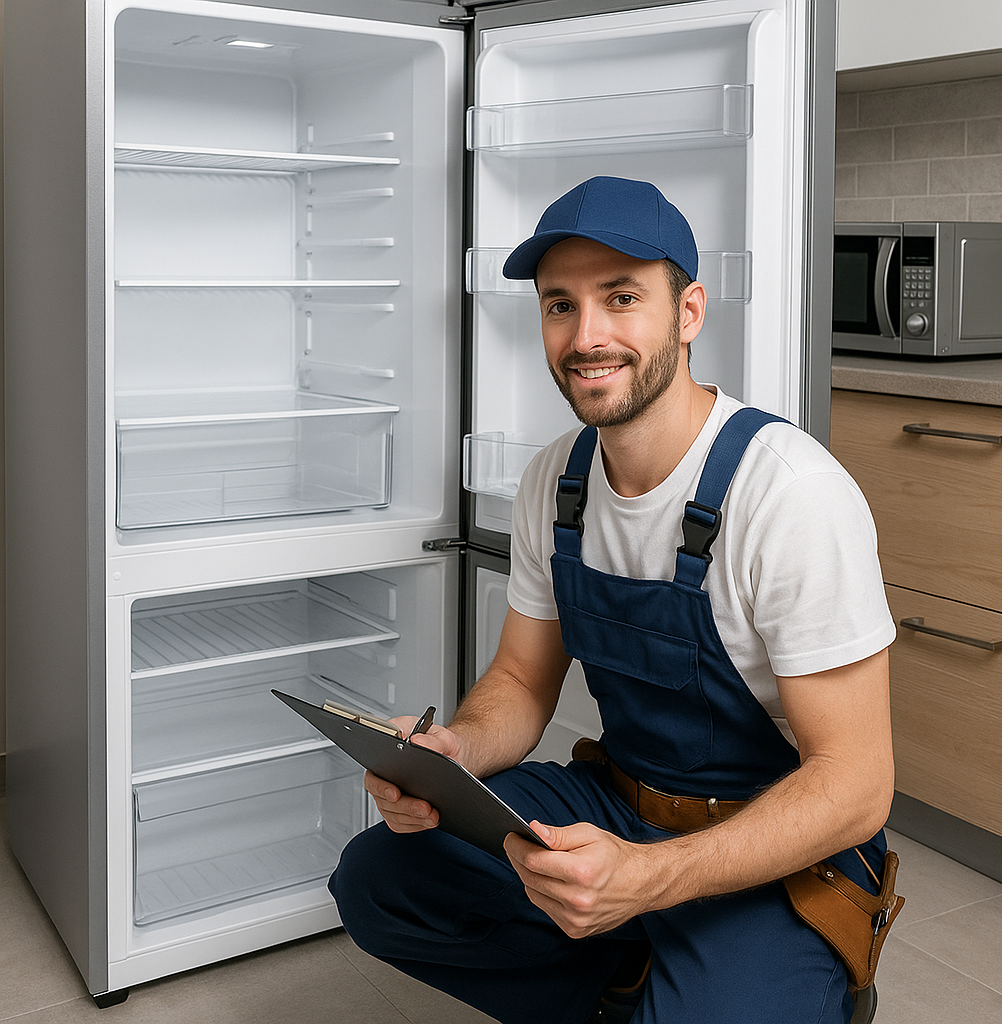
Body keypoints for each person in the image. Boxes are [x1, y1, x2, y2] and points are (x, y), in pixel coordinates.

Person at [329, 176, 896, 1024]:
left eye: (622, 297)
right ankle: (629, 978)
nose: (586, 336)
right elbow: (521, 683)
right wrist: (453, 756)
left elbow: (855, 785)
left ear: (689, 311)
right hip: (622, 805)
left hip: (775, 849)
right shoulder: (555, 481)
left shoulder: (790, 494)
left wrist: (647, 878)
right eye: (561, 305)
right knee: (382, 881)